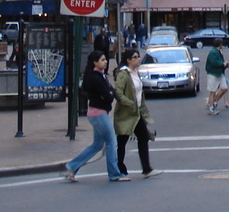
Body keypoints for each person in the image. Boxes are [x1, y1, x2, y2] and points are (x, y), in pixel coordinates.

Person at [62, 50, 129, 182]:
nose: (105, 62)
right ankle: (114, 173)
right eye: (102, 60)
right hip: (99, 113)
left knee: (97, 144)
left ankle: (71, 167)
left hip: (96, 112)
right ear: (95, 62)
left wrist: (109, 93)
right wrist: (108, 93)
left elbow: (111, 92)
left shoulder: (100, 76)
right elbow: (109, 96)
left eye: (105, 59)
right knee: (111, 142)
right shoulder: (95, 77)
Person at [113, 49, 162, 179]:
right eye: (135, 57)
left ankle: (146, 168)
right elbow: (118, 93)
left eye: (138, 56)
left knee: (143, 137)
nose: (138, 59)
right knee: (122, 141)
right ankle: (120, 169)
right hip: (126, 114)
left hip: (136, 113)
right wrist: (130, 103)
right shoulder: (123, 74)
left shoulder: (135, 73)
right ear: (128, 60)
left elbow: (139, 93)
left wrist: (140, 108)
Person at [205, 39, 229, 115]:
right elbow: (214, 62)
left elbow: (220, 61)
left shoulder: (218, 52)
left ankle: (214, 102)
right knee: (212, 91)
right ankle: (211, 107)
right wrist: (223, 64)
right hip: (213, 74)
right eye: (221, 44)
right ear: (220, 45)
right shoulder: (213, 52)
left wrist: (224, 64)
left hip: (219, 73)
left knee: (224, 88)